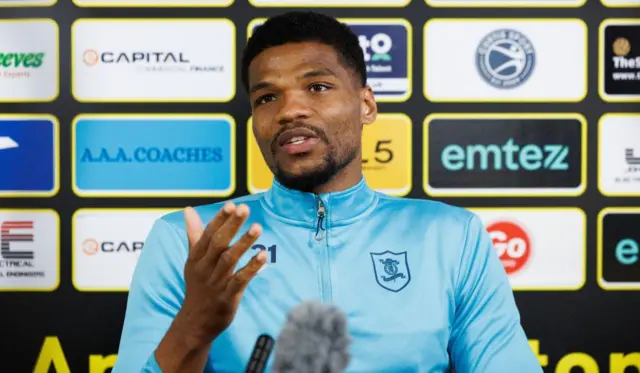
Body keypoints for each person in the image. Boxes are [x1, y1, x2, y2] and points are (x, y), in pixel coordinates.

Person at [111, 11, 543, 373]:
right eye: (266, 98)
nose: (289, 110)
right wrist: (196, 323)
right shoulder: (188, 241)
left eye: (317, 87)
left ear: (366, 105)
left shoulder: (451, 236)